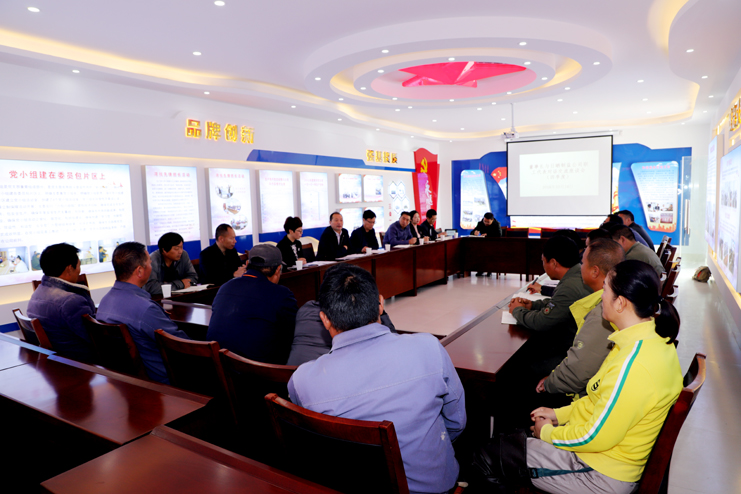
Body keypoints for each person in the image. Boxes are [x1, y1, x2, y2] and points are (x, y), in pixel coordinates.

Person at [288, 264, 466, 494]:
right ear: (381, 304)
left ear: (325, 319)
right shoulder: (428, 349)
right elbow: (457, 422)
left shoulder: (302, 381)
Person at [526, 260, 682, 494]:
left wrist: (547, 433)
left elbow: (595, 436)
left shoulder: (634, 365)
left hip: (600, 472)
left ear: (620, 302)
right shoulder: (645, 340)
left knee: (489, 458)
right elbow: (597, 397)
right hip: (604, 456)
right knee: (508, 446)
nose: (601, 296)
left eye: (605, 290)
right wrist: (558, 415)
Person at [536, 238, 626, 399]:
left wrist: (549, 383)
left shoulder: (603, 314)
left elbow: (577, 372)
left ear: (595, 271)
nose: (579, 267)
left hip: (586, 397)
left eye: (582, 263)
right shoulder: (620, 297)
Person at [97, 242, 190, 383]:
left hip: (123, 380)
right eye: (149, 263)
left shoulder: (105, 301)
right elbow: (183, 346)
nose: (151, 267)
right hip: (165, 381)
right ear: (139, 271)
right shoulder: (145, 309)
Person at [207, 244, 297, 364]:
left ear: (247, 264)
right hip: (259, 370)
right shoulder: (281, 294)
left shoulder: (225, 287)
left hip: (220, 365)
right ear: (278, 270)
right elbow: (293, 332)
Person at [27, 243, 96, 362]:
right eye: (79, 266)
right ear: (69, 269)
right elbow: (96, 337)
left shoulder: (38, 292)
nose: (79, 271)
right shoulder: (71, 301)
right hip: (80, 362)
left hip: (56, 361)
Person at [287, 297, 397, 366]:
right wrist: (381, 313)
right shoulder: (347, 317)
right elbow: (393, 344)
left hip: (287, 379)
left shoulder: (306, 308)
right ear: (325, 319)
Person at [144, 232, 199, 296]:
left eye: (181, 247)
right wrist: (181, 284)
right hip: (157, 298)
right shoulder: (153, 260)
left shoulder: (183, 255)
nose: (180, 251)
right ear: (164, 250)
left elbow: (193, 277)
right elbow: (151, 287)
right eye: (176, 249)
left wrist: (168, 285)